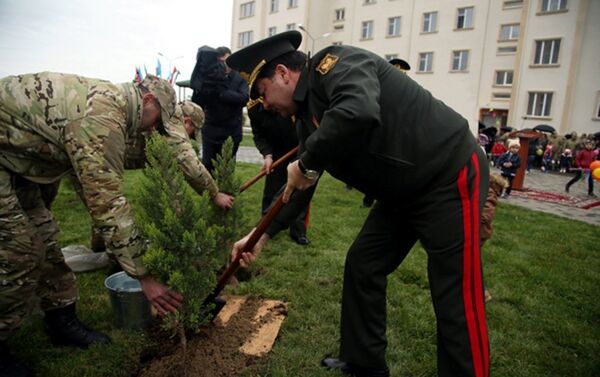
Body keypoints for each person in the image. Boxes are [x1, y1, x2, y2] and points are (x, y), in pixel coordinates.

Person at [227, 31, 490, 377]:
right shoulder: (307, 119)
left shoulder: (336, 64)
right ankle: (364, 361)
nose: (266, 105)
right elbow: (300, 186)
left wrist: (305, 163)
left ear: (282, 73)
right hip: (401, 193)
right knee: (363, 263)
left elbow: (359, 110)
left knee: (454, 295)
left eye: (262, 93)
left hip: (447, 174)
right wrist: (259, 235)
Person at [0, 72, 187, 376]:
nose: (155, 128)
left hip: (17, 160)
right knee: (19, 249)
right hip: (5, 156)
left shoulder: (113, 107)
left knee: (46, 240)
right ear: (148, 100)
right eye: (157, 120)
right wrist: (144, 275)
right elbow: (108, 202)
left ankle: (61, 320)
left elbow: (88, 178)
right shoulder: (102, 117)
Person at [248, 100, 313, 245]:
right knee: (272, 187)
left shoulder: (289, 98)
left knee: (300, 189)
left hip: (299, 146)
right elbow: (259, 135)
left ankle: (298, 230)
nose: (266, 104)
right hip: (276, 150)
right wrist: (267, 155)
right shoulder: (253, 108)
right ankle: (265, 226)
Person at [194, 46, 249, 174]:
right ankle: (210, 193)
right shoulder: (210, 79)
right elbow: (199, 101)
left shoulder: (240, 77)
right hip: (211, 131)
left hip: (231, 132)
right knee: (208, 166)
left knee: (227, 170)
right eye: (221, 61)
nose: (224, 64)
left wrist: (221, 92)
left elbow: (244, 98)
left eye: (227, 60)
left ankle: (225, 192)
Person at [480, 173, 508, 302]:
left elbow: (486, 215)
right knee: (471, 263)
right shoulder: (487, 190)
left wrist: (470, 217)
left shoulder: (489, 192)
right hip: (477, 232)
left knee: (470, 264)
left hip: (479, 233)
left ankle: (482, 292)